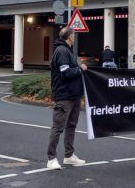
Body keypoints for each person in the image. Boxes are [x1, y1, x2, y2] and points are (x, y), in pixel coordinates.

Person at [46, 26, 88, 170]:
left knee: (71, 126)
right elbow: (66, 73)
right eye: (74, 34)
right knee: (58, 127)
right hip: (64, 96)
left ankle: (69, 156)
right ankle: (51, 159)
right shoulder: (62, 51)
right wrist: (80, 69)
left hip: (73, 95)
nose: (75, 36)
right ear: (69, 37)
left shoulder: (68, 50)